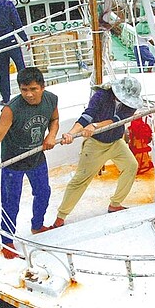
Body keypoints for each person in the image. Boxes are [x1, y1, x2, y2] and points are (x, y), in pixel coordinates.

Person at [0, 67, 59, 259]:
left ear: (42, 87)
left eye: (33, 89)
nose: (29, 94)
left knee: (43, 192)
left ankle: (37, 225)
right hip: (13, 162)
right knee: (10, 203)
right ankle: (7, 241)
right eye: (24, 90)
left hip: (37, 157)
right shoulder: (11, 109)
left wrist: (52, 134)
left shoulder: (51, 99)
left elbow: (55, 119)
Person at [51, 76, 143, 228]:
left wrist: (95, 126)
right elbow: (87, 115)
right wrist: (71, 133)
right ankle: (61, 217)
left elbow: (116, 120)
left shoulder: (130, 105)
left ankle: (115, 203)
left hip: (116, 141)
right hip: (96, 144)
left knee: (131, 166)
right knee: (80, 180)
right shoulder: (101, 95)